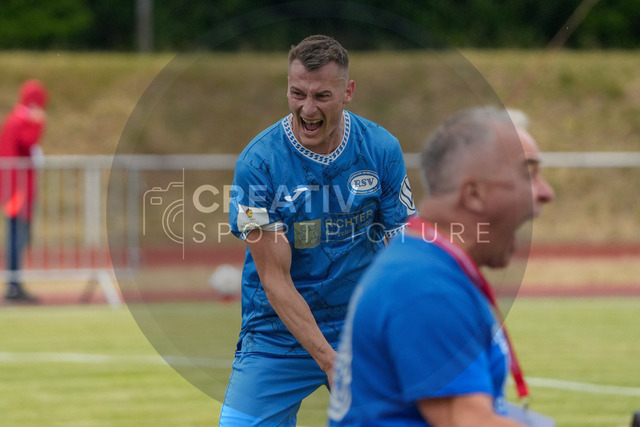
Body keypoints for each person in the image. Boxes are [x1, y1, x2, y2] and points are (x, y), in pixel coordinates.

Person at [221, 35, 416, 425]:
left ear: (348, 93)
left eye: (322, 96)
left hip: (360, 328)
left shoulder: (381, 149)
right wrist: (331, 361)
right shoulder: (258, 164)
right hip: (278, 332)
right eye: (298, 93)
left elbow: (404, 249)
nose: (307, 109)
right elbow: (274, 280)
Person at [329, 106, 555, 426]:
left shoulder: (422, 265)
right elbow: (470, 423)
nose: (546, 192)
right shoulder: (426, 285)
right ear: (474, 194)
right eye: (528, 173)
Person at [0, 79, 48, 304]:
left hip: (12, 186)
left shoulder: (13, 119)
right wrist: (38, 123)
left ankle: (14, 284)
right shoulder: (21, 120)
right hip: (18, 188)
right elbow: (28, 142)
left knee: (15, 234)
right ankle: (14, 285)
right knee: (17, 235)